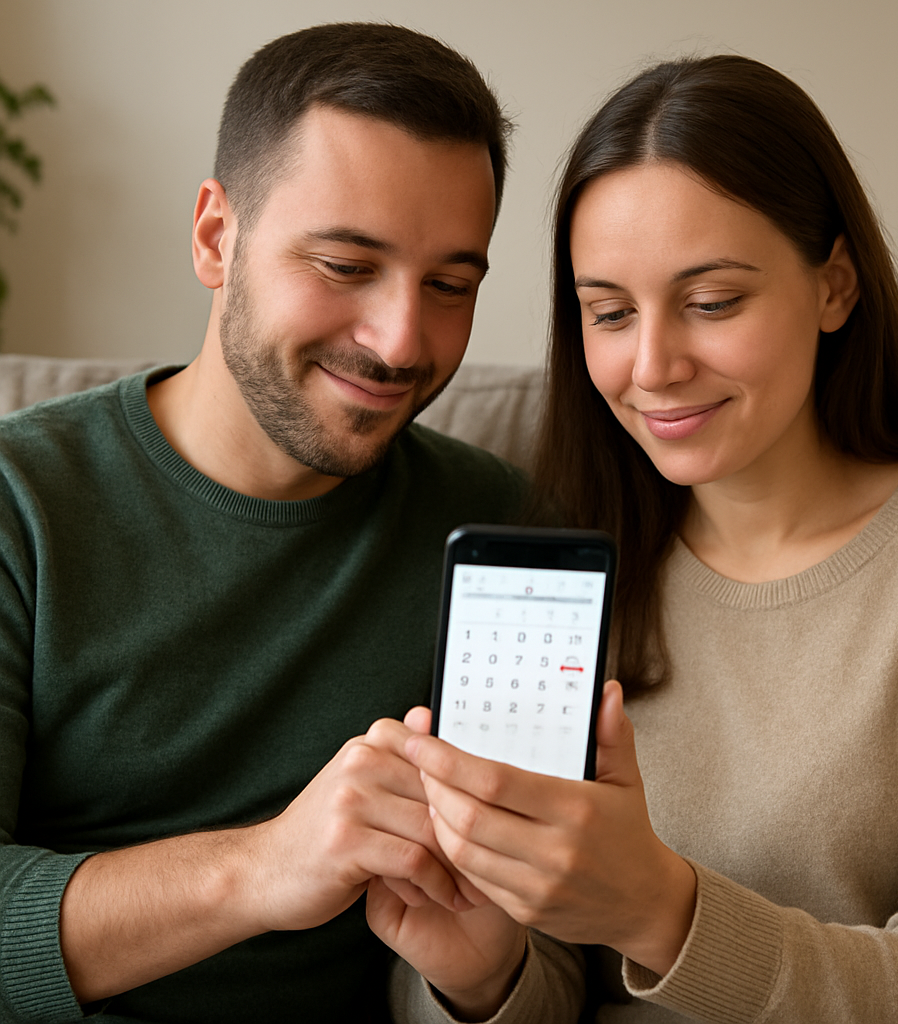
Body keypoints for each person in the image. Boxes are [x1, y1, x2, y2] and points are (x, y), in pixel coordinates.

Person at [398, 55, 898, 1021]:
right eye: (609, 313)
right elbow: (555, 975)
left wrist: (662, 911)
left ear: (835, 287)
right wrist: (486, 975)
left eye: (712, 301)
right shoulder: (572, 576)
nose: (652, 366)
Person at [0, 23, 583, 1024]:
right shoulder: (23, 502)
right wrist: (265, 865)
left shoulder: (496, 530)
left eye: (450, 285)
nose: (402, 340)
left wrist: (483, 978)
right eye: (346, 265)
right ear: (215, 237)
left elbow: (540, 968)